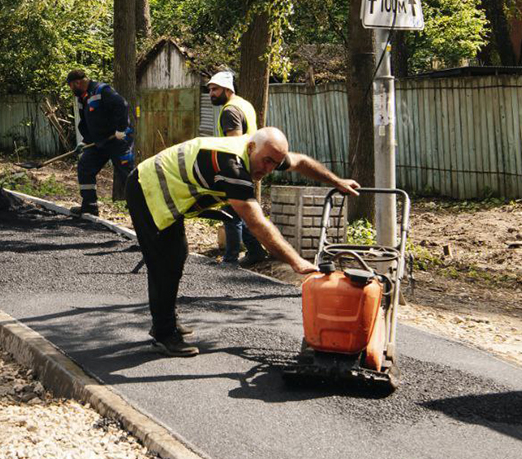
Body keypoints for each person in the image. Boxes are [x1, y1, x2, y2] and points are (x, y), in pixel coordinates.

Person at [125, 127, 359, 357]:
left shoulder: (265, 152)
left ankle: (167, 320)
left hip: (169, 192)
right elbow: (256, 223)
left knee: (177, 254)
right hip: (146, 187)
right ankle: (164, 334)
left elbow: (300, 161)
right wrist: (295, 261)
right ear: (250, 147)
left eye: (275, 164)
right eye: (266, 161)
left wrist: (336, 181)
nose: (268, 170)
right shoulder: (231, 165)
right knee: (164, 260)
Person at [207, 71, 268, 266]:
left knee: (230, 213)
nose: (211, 94)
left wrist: (224, 170)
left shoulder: (230, 111)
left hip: (235, 167)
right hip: (246, 164)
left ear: (227, 89)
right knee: (241, 211)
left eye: (215, 89)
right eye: (209, 90)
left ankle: (231, 259)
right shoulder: (245, 104)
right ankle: (256, 251)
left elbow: (234, 142)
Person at [66, 69, 134, 216]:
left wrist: (121, 129)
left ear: (77, 82)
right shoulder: (82, 99)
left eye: (71, 86)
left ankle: (139, 208)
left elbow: (122, 105)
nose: (71, 89)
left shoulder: (102, 90)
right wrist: (85, 141)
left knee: (126, 172)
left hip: (118, 139)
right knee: (85, 166)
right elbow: (87, 123)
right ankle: (90, 206)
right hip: (99, 142)